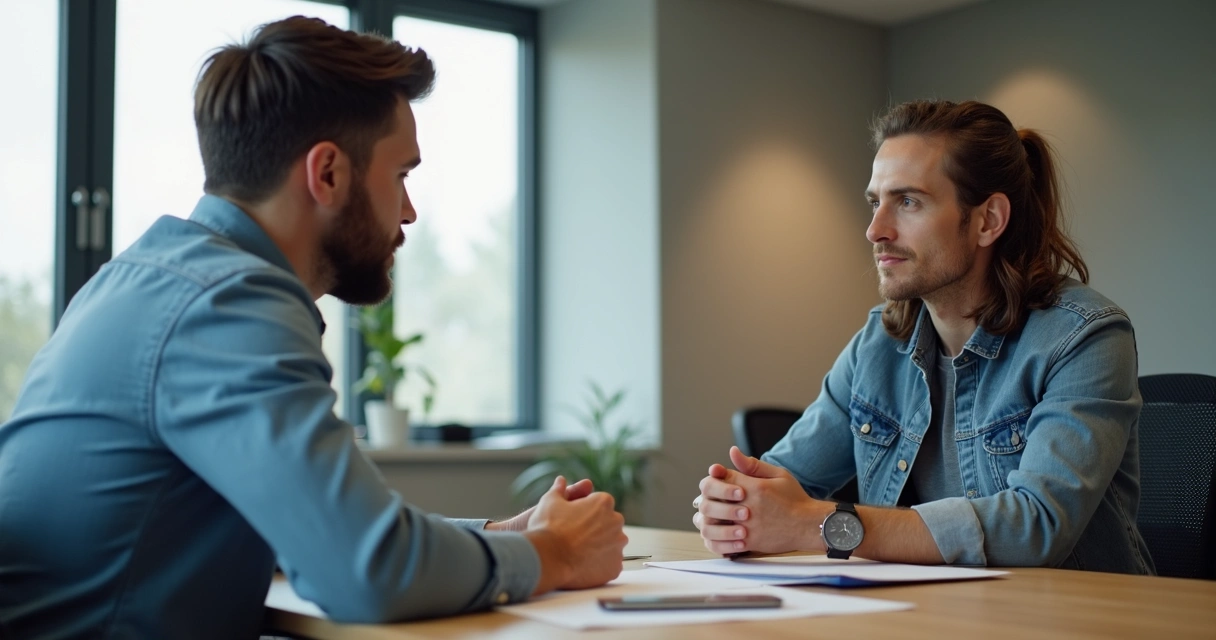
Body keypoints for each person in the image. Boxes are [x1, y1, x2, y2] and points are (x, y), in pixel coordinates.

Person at [0, 16, 626, 638]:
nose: (409, 212)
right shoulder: (228, 305)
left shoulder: (143, 281)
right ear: (327, 173)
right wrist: (557, 556)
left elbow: (312, 532)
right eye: (402, 175)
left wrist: (504, 538)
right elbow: (370, 573)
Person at [693, 100, 1154, 575]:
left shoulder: (1085, 336)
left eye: (908, 201)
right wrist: (735, 508)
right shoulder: (877, 344)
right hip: (925, 615)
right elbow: (778, 485)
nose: (875, 230)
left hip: (1074, 617)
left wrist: (820, 524)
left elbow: (1035, 527)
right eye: (876, 202)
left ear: (987, 220)